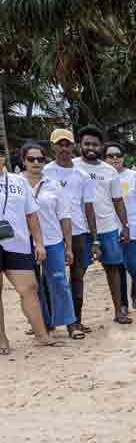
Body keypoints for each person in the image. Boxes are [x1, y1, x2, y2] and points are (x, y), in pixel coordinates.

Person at [0, 148, 59, 354]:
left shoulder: (18, 181)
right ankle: (2, 339)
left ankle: (41, 335)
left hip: (18, 243)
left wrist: (39, 243)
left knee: (30, 288)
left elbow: (32, 214)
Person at [73, 126, 132, 324]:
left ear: (101, 147)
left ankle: (118, 311)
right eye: (87, 143)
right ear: (79, 145)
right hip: (80, 229)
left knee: (113, 268)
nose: (91, 147)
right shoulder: (72, 167)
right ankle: (77, 319)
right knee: (78, 272)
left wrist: (125, 225)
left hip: (107, 227)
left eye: (95, 144)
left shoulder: (109, 170)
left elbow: (118, 200)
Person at [45, 129, 99, 333]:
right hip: (51, 234)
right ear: (53, 146)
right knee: (52, 279)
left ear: (73, 146)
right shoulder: (45, 171)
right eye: (60, 144)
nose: (64, 148)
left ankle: (75, 320)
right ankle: (48, 321)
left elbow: (89, 208)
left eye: (68, 144)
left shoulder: (82, 175)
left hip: (78, 233)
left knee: (77, 278)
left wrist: (95, 239)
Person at [22, 143, 77, 335]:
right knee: (32, 285)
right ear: (24, 161)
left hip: (53, 241)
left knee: (59, 281)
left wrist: (68, 247)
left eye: (40, 159)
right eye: (31, 159)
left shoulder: (54, 185)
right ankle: (43, 324)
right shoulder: (16, 184)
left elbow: (65, 217)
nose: (36, 162)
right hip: (24, 243)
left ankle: (70, 324)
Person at [105, 142, 136, 318]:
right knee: (117, 269)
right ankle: (122, 306)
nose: (115, 158)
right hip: (109, 230)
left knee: (133, 265)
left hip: (131, 229)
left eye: (118, 155)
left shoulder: (134, 176)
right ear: (105, 158)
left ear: (123, 157)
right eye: (110, 156)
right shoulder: (101, 177)